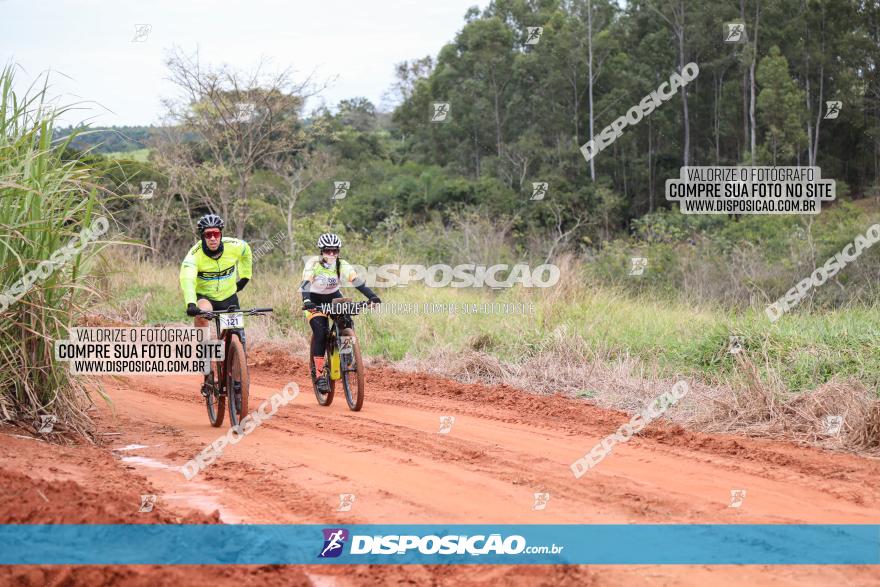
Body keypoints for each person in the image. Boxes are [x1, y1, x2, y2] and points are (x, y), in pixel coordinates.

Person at [179, 213, 252, 395]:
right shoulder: (193, 256)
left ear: (221, 234)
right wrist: (190, 303)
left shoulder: (235, 246)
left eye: (216, 234)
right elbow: (187, 279)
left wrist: (244, 277)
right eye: (208, 234)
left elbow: (246, 251)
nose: (212, 238)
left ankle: (236, 383)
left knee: (238, 340)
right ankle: (206, 367)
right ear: (202, 236)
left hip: (229, 297)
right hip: (206, 297)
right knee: (202, 313)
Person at [300, 233, 380, 392]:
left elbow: (356, 281)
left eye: (334, 251)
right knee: (321, 334)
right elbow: (305, 284)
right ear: (321, 251)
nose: (331, 254)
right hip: (314, 300)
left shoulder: (341, 264)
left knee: (347, 321)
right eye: (328, 251)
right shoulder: (313, 263)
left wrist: (372, 296)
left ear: (338, 251)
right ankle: (320, 374)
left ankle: (347, 353)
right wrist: (307, 301)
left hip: (334, 297)